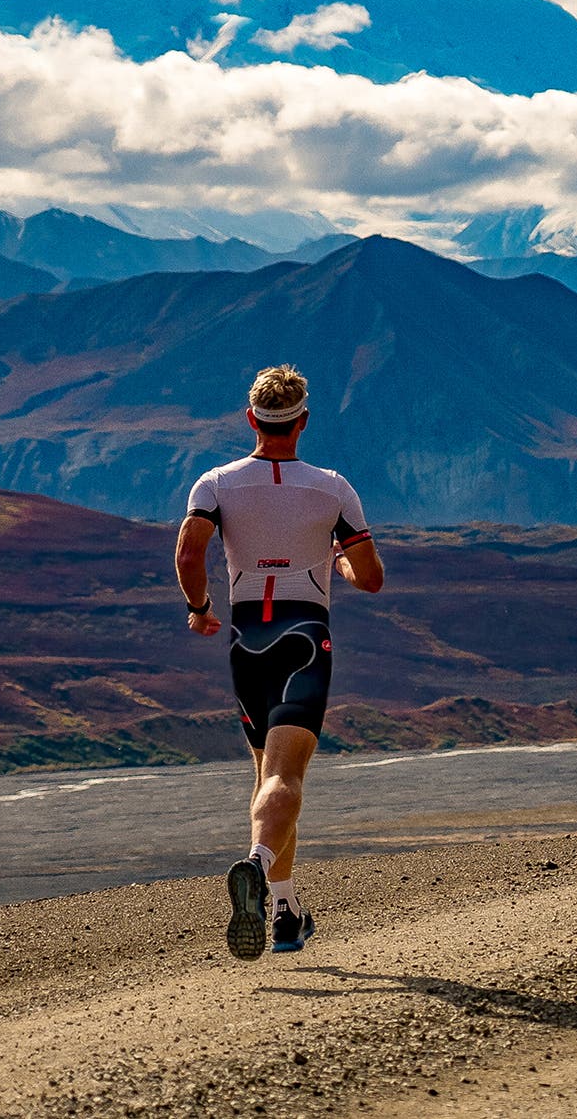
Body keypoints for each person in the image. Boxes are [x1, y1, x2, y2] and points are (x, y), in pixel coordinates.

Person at [175, 365, 384, 960]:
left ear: (250, 420)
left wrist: (200, 608)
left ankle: (286, 911)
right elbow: (370, 578)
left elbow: (189, 552)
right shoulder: (332, 488)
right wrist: (337, 561)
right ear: (303, 421)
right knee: (288, 776)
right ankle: (257, 866)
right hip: (303, 637)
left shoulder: (214, 484)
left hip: (246, 639)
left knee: (267, 773)